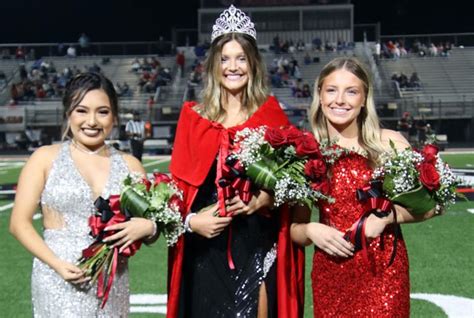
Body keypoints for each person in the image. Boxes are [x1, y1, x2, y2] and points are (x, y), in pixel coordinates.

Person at [167, 5, 304, 318]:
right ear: (213, 65)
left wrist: (266, 197)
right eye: (224, 59)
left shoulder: (271, 115)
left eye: (241, 58)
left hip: (257, 245)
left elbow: (297, 183)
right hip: (205, 252)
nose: (233, 67)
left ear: (253, 64)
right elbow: (176, 196)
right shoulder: (193, 118)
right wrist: (192, 223)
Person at [290, 57, 438, 317]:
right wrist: (312, 230)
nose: (340, 100)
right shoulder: (306, 151)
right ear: (320, 96)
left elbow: (431, 207)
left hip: (383, 272)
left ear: (363, 98)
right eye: (332, 90)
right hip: (331, 270)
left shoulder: (389, 143)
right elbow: (295, 230)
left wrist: (388, 217)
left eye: (351, 91)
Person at [9, 72, 157, 316]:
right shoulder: (44, 158)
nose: (92, 121)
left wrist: (148, 227)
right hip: (58, 279)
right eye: (81, 110)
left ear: (115, 116)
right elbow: (18, 224)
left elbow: (151, 229)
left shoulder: (131, 166)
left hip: (112, 281)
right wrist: (57, 264)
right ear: (68, 113)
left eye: (102, 111)